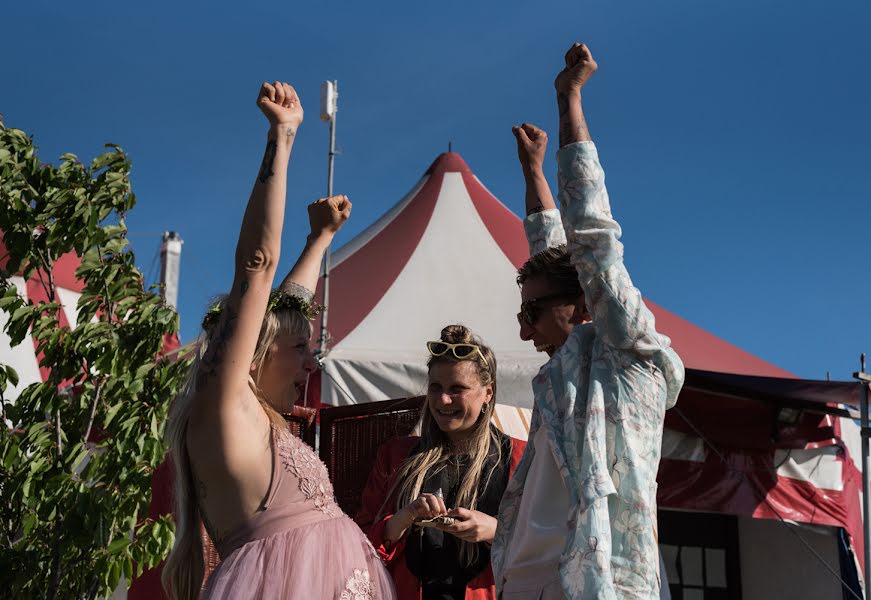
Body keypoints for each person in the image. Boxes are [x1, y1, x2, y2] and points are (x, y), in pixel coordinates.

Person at [163, 81, 395, 600]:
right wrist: (282, 139)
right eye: (300, 351)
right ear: (254, 356)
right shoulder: (225, 406)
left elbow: (284, 312)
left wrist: (321, 239)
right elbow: (258, 267)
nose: (311, 365)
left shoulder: (254, 414)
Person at [491, 44, 685, 599]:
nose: (525, 331)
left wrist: (568, 99)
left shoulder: (628, 357)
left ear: (582, 305)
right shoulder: (567, 371)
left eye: (531, 314)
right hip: (530, 581)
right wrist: (531, 172)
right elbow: (552, 251)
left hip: (603, 584)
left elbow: (592, 240)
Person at [356, 325, 526, 600]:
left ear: (488, 393)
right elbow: (358, 546)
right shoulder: (395, 456)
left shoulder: (522, 458)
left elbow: (551, 545)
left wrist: (494, 530)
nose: (443, 400)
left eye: (457, 388)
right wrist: (404, 517)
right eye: (436, 387)